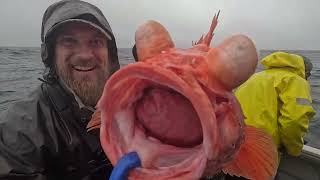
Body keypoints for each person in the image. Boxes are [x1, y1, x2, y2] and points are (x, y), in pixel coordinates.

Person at [0, 0, 120, 179]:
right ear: (50, 54)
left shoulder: (135, 102)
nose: (85, 55)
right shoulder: (20, 132)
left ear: (110, 53)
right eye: (69, 41)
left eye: (96, 41)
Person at [235, 51, 316, 157]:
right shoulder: (296, 81)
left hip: (234, 141)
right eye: (308, 74)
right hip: (260, 148)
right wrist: (294, 149)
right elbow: (294, 120)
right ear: (304, 70)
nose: (307, 78)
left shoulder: (256, 77)